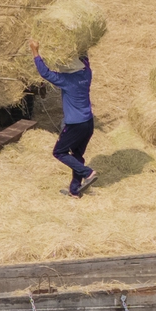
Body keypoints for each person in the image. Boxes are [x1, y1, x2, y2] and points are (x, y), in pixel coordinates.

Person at [30, 41, 96, 196]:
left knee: (59, 152)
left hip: (75, 125)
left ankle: (88, 173)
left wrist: (35, 51)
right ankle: (74, 190)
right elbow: (85, 59)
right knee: (77, 155)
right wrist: (81, 44)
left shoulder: (66, 80)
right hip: (88, 123)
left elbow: (45, 73)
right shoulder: (87, 74)